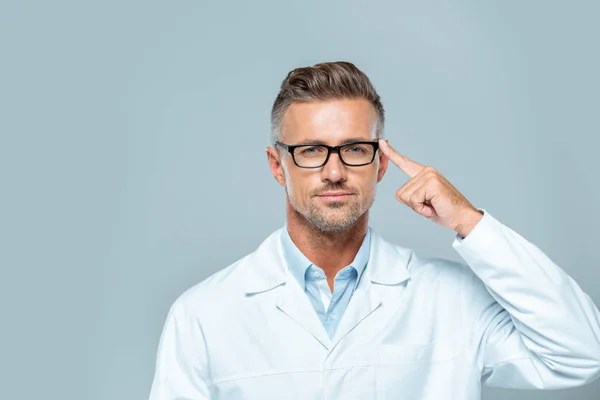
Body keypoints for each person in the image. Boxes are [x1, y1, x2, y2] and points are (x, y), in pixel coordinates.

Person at [148, 61, 600, 400]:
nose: (333, 171)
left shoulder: (450, 300)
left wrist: (468, 221)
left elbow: (580, 354)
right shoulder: (203, 315)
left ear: (381, 164)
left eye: (354, 149)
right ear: (277, 166)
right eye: (310, 150)